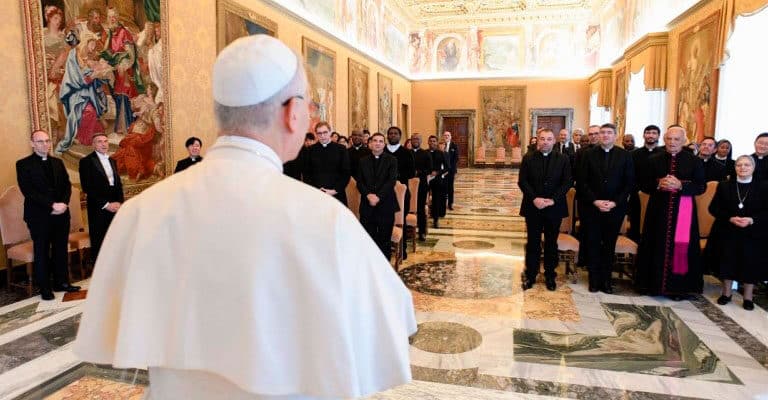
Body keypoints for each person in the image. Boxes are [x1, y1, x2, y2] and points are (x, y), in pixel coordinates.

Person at [75, 34, 416, 399]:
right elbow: (396, 321)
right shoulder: (325, 220)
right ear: (291, 113)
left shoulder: (142, 210)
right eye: (309, 105)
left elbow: (113, 330)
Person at [635, 125, 706, 300]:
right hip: (658, 211)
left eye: (676, 139)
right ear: (664, 140)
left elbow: (701, 186)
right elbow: (643, 184)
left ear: (683, 141)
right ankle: (652, 285)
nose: (672, 142)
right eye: (669, 139)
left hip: (684, 212)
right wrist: (659, 185)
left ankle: (678, 288)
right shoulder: (654, 159)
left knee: (680, 247)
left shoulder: (694, 161)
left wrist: (681, 185)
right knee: (655, 244)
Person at [16, 130, 80, 300]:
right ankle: (45, 288)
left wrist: (63, 204)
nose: (45, 144)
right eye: (40, 141)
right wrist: (52, 205)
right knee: (42, 251)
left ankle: (62, 283)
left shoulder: (58, 162)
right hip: (39, 216)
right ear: (32, 144)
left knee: (60, 249)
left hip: (61, 214)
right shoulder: (23, 164)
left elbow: (67, 186)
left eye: (47, 141)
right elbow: (28, 191)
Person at [577, 123, 634, 293]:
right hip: (592, 208)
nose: (605, 135)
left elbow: (629, 183)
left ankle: (607, 281)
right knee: (593, 244)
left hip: (615, 209)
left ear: (615, 135)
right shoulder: (588, 154)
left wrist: (615, 202)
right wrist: (595, 201)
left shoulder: (624, 156)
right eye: (602, 133)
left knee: (609, 245)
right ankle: (594, 281)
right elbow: (582, 182)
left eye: (609, 133)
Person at [708, 155, 768, 310]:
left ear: (753, 168)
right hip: (728, 230)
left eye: (747, 165)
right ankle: (726, 293)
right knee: (727, 260)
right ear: (735, 168)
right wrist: (730, 218)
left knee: (751, 263)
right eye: (739, 165)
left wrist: (751, 220)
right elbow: (713, 208)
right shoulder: (724, 185)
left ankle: (748, 297)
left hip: (754, 232)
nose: (742, 168)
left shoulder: (764, 187)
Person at [518, 128, 572, 291]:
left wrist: (552, 200)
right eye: (542, 139)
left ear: (554, 141)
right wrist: (535, 198)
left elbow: (567, 182)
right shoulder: (528, 158)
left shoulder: (563, 159)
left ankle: (550, 275)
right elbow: (523, 181)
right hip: (533, 206)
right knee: (533, 242)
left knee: (551, 242)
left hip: (553, 207)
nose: (545, 142)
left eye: (549, 139)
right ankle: (531, 274)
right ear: (537, 140)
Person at [78, 133, 124, 261]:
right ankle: (100, 271)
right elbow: (87, 187)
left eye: (105, 141)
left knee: (115, 238)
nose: (104, 144)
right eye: (99, 141)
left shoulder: (112, 160)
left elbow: (118, 184)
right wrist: (106, 204)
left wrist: (119, 203)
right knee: (100, 240)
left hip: (115, 207)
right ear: (93, 145)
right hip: (99, 208)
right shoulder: (86, 162)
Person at [357, 133, 399, 260]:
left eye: (381, 141)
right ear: (370, 144)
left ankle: (384, 268)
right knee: (368, 238)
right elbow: (359, 182)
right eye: (375, 141)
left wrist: (378, 197)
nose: (377, 143)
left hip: (386, 204)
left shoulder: (392, 160)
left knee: (384, 239)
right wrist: (369, 195)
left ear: (384, 144)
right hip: (367, 205)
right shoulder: (362, 161)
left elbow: (391, 181)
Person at [628, 125, 663, 241]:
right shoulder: (634, 154)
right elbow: (629, 175)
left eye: (654, 133)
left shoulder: (664, 154)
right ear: (644, 135)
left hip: (657, 196)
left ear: (658, 136)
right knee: (635, 224)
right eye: (648, 133)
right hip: (636, 195)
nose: (651, 135)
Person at [302, 122, 351, 205]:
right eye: (319, 133)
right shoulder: (310, 150)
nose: (322, 136)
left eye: (325, 132)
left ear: (330, 132)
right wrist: (317, 189)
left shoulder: (341, 149)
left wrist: (334, 190)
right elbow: (306, 174)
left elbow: (346, 173)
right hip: (316, 195)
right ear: (316, 134)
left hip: (337, 194)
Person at [385, 127, 415, 259]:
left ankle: (402, 249)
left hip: (401, 191)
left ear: (400, 136)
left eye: (395, 133)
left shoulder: (406, 152)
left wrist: (397, 177)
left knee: (400, 220)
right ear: (387, 136)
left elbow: (411, 172)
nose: (393, 136)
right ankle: (385, 247)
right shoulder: (382, 150)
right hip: (384, 191)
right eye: (390, 134)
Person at [411, 134, 432, 240]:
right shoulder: (407, 153)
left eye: (417, 139)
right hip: (408, 186)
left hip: (421, 185)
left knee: (420, 209)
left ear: (421, 141)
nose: (415, 141)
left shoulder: (425, 154)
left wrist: (418, 172)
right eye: (414, 139)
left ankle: (422, 232)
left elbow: (429, 169)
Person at [427, 135, 447, 228]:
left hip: (437, 179)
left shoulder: (441, 153)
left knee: (436, 200)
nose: (432, 143)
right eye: (430, 141)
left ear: (437, 142)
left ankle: (436, 220)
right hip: (426, 179)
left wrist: (437, 172)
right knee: (423, 199)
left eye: (434, 141)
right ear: (428, 142)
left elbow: (447, 167)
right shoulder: (424, 153)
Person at [443, 131, 459, 210]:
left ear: (450, 137)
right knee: (443, 187)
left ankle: (450, 203)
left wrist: (449, 168)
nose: (446, 136)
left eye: (448, 135)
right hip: (442, 171)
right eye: (445, 135)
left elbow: (456, 158)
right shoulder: (441, 145)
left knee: (450, 187)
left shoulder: (454, 146)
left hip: (451, 170)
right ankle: (442, 203)